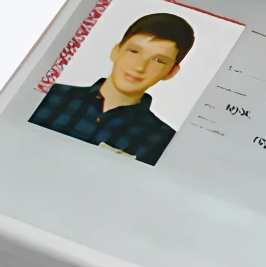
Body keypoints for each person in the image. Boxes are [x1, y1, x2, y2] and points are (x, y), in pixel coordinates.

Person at [30, 11, 195, 165]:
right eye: (134, 51)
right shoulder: (49, 95)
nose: (139, 67)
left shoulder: (164, 141)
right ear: (116, 51)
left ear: (171, 72)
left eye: (159, 60)